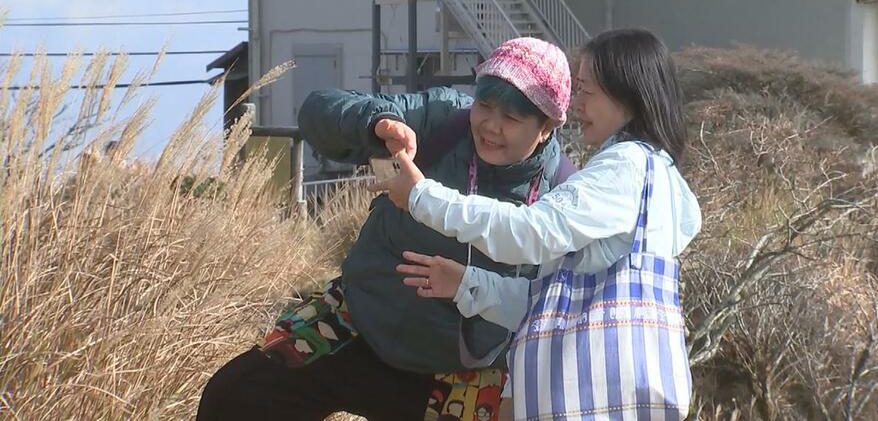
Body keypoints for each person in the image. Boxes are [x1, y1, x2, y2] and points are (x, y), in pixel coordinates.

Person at [196, 37, 573, 421]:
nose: (490, 126)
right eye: (485, 105)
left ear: (546, 127)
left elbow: (553, 305)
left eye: (511, 118)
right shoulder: (442, 118)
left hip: (462, 370)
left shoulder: (564, 195)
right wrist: (375, 124)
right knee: (236, 397)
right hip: (358, 320)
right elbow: (317, 111)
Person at [375, 29, 702, 420]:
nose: (576, 104)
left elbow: (530, 234)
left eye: (586, 90)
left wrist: (422, 197)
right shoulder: (657, 176)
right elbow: (564, 305)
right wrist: (469, 284)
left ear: (626, 93)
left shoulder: (624, 166)